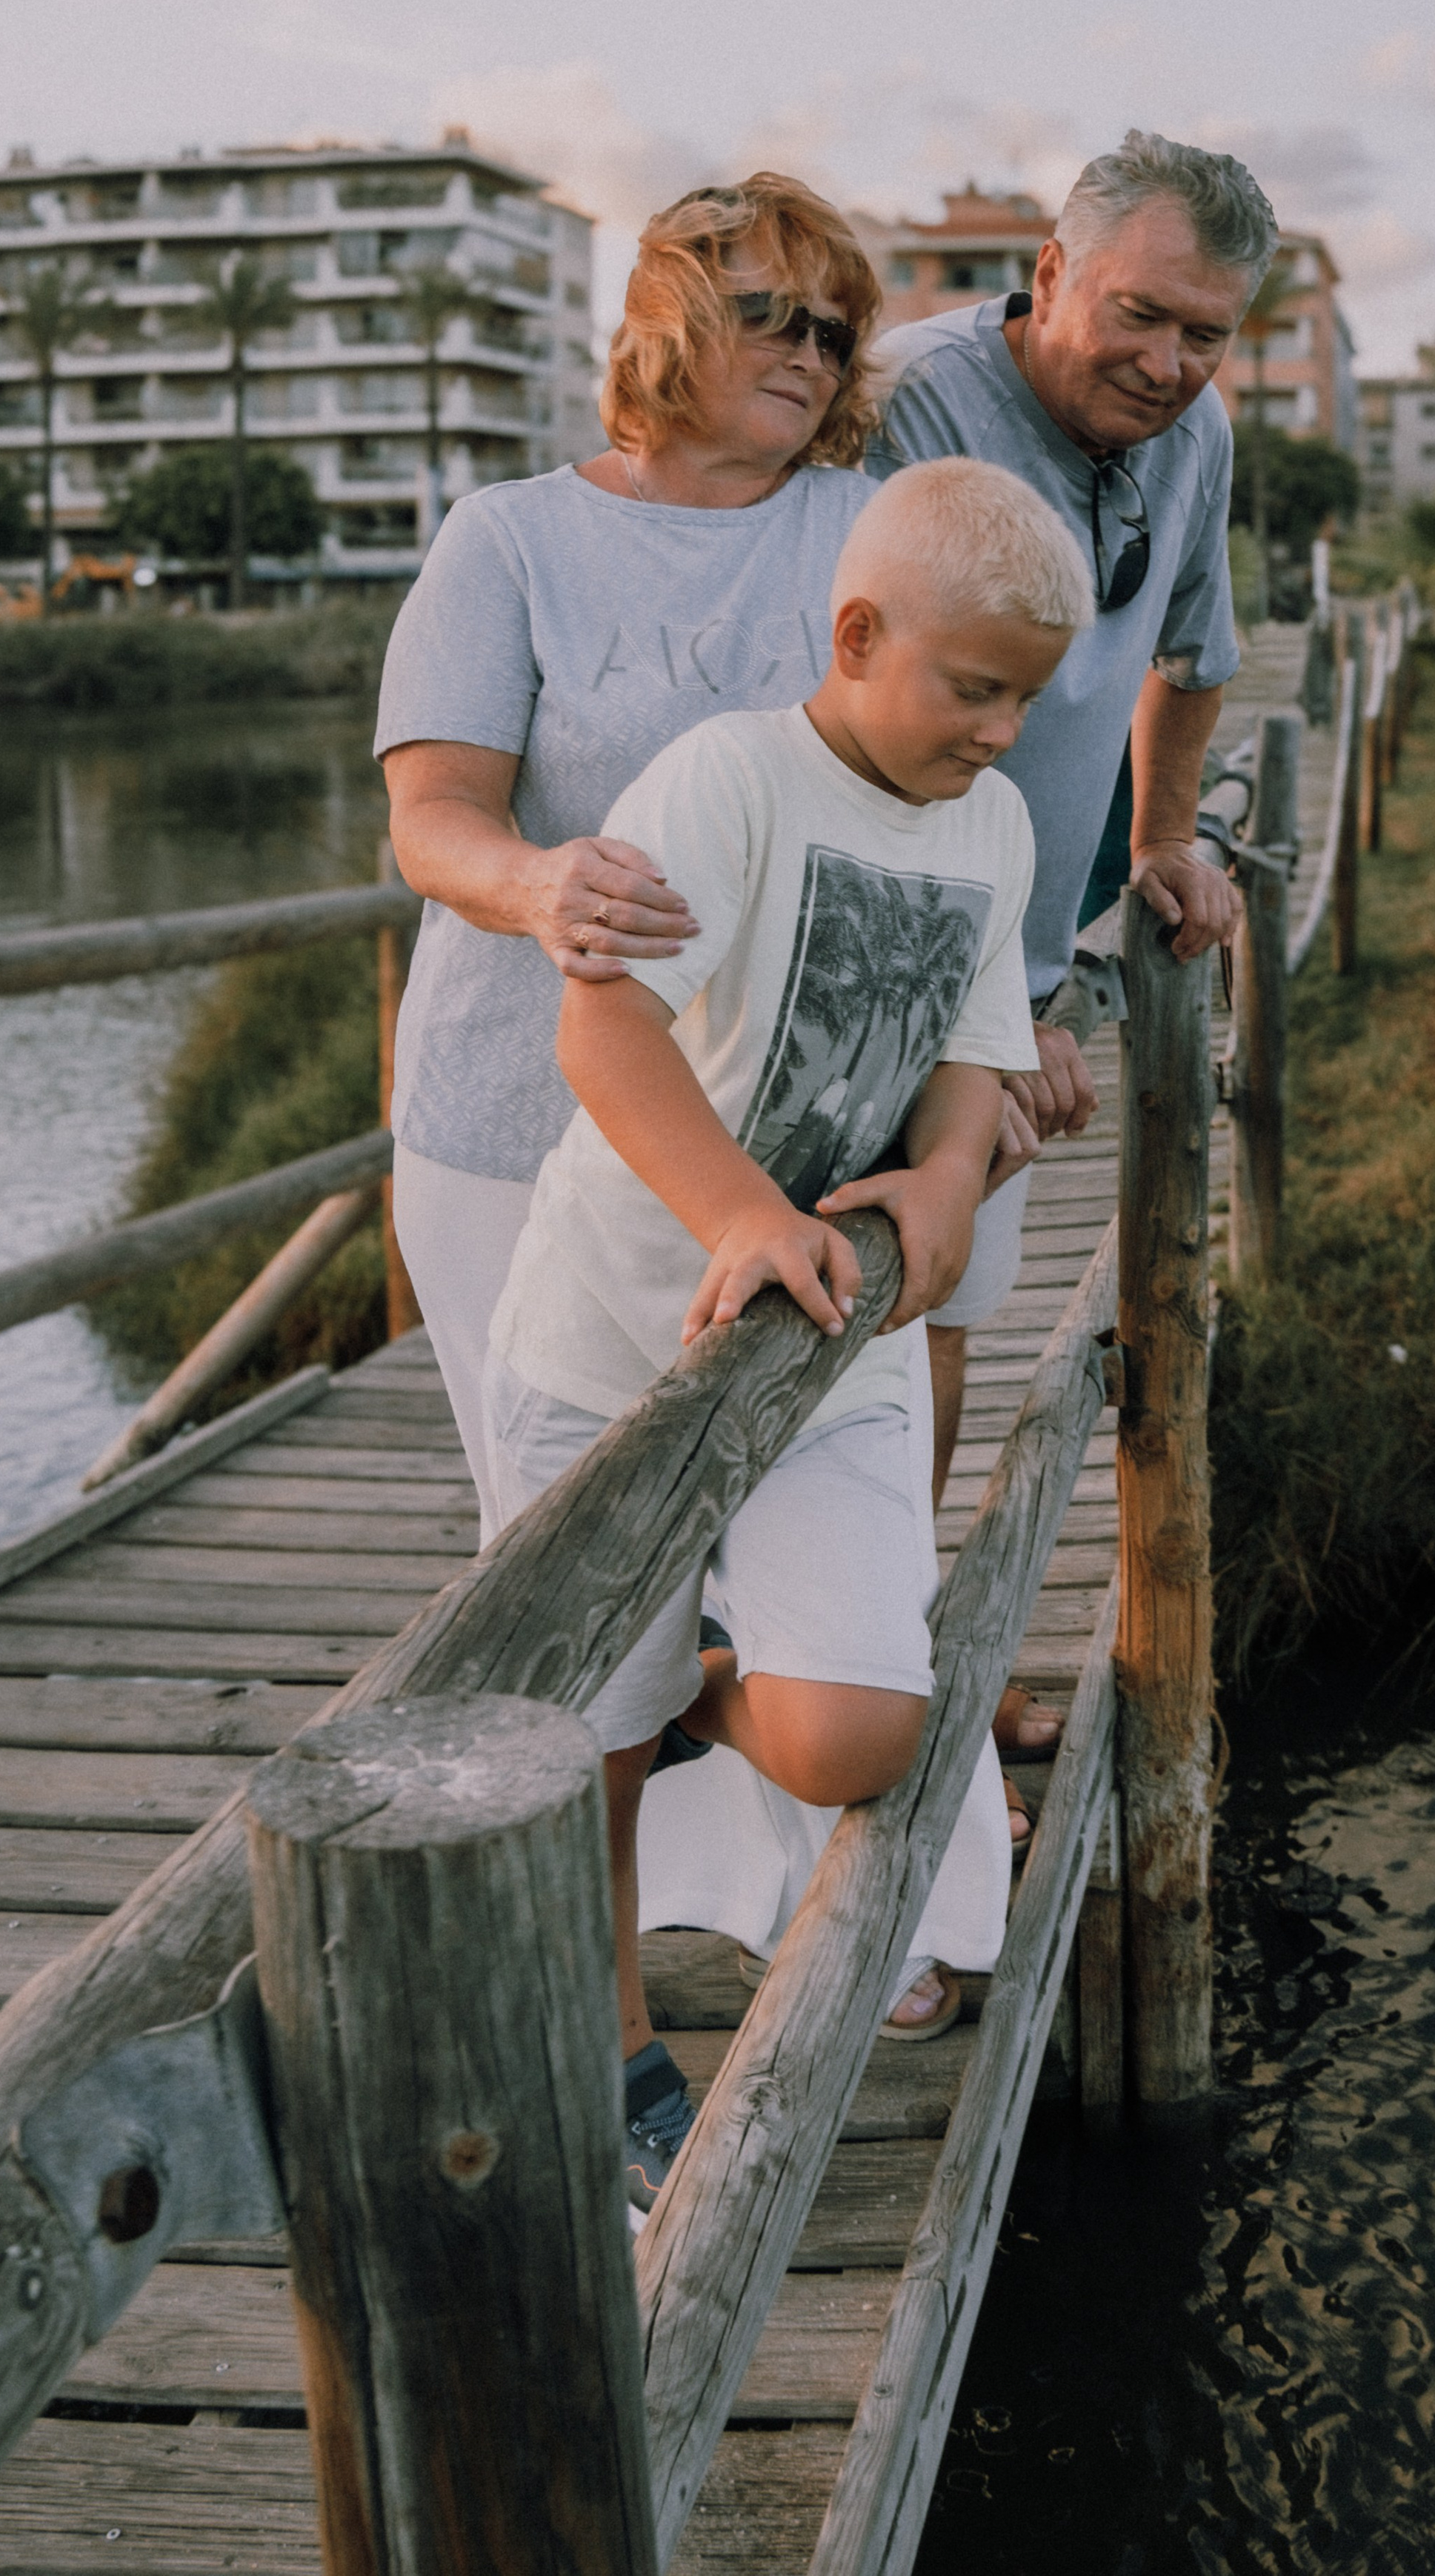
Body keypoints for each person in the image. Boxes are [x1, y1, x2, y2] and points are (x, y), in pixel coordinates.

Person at [376, 174, 1016, 2022]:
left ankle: (832, 1890)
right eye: (769, 318)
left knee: (798, 1562)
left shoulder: (859, 531)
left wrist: (1004, 1023)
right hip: (522, 1125)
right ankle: (604, 2020)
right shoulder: (505, 539)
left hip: (802, 1149)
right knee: (575, 1597)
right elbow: (432, 814)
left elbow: (977, 750)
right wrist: (533, 884)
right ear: (663, 322)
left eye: (836, 329)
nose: (813, 360)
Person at [478, 457, 1093, 2209]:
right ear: (854, 633)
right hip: (617, 1340)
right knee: (574, 1750)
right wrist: (740, 1207)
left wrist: (953, 1174)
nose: (998, 729)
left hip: (831, 1350)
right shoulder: (731, 779)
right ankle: (607, 2051)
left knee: (856, 1735)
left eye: (1027, 697)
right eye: (971, 686)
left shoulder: (989, 823)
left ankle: (700, 1700)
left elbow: (975, 1048)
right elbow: (604, 1036)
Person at [866, 130, 1277, 1511]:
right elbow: (863, 743)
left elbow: (1194, 657)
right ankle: (735, 1704)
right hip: (873, 979)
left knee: (935, 1330)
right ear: (1053, 273)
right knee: (827, 1332)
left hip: (1024, 977)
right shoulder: (914, 402)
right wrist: (983, 1017)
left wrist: (1162, 842)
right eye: (1140, 314)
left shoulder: (1195, 433)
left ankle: (896, 1675)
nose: (1168, 364)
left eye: (1205, 334)